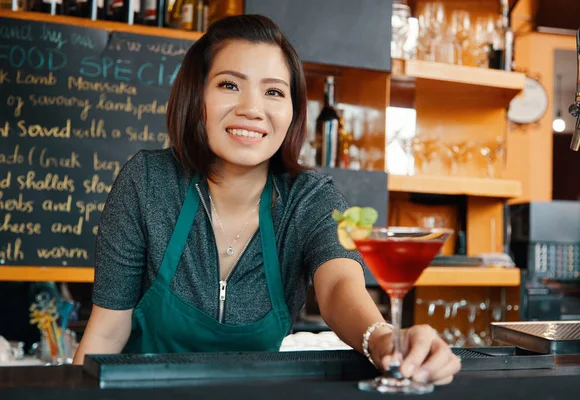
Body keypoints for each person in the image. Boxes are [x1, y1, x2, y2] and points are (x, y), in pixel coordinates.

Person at [73, 14, 461, 385]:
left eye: (274, 91)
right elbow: (107, 332)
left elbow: (340, 285)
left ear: (292, 112)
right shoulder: (147, 181)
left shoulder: (308, 199)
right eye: (229, 85)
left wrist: (382, 338)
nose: (252, 109)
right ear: (197, 97)